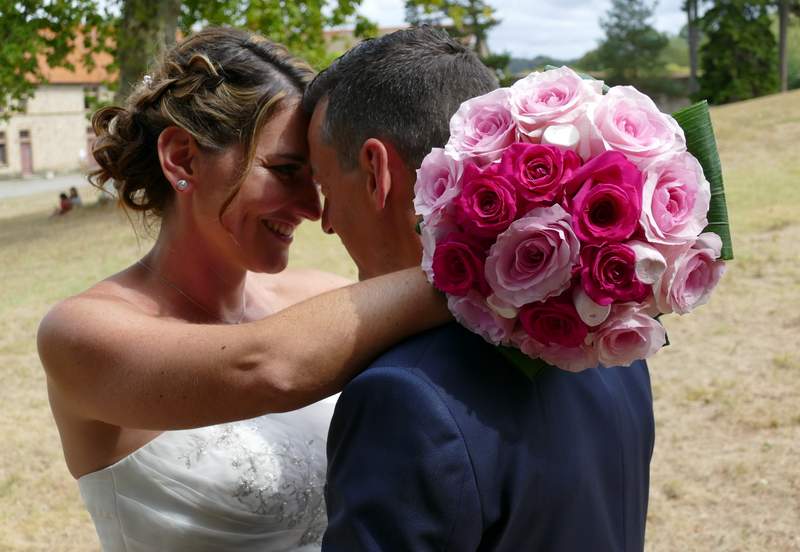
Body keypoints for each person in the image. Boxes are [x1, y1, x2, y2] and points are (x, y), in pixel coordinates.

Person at [36, 27, 449, 552]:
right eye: (283, 171)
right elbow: (265, 368)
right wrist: (476, 267)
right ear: (183, 158)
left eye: (317, 180)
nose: (312, 209)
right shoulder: (80, 333)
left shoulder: (323, 295)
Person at [303, 26, 655, 551]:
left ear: (377, 172)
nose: (327, 221)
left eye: (326, 186)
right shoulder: (606, 343)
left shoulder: (403, 395)